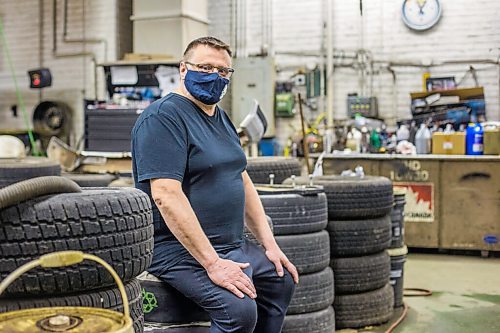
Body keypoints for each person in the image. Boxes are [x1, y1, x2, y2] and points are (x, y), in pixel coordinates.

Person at [132, 36, 298, 333]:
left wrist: (269, 245)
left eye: (223, 71)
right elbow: (165, 195)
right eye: (205, 67)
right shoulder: (162, 118)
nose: (215, 77)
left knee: (280, 277)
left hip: (231, 244)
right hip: (177, 249)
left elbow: (241, 177)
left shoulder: (220, 118)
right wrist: (213, 264)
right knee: (238, 311)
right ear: (184, 69)